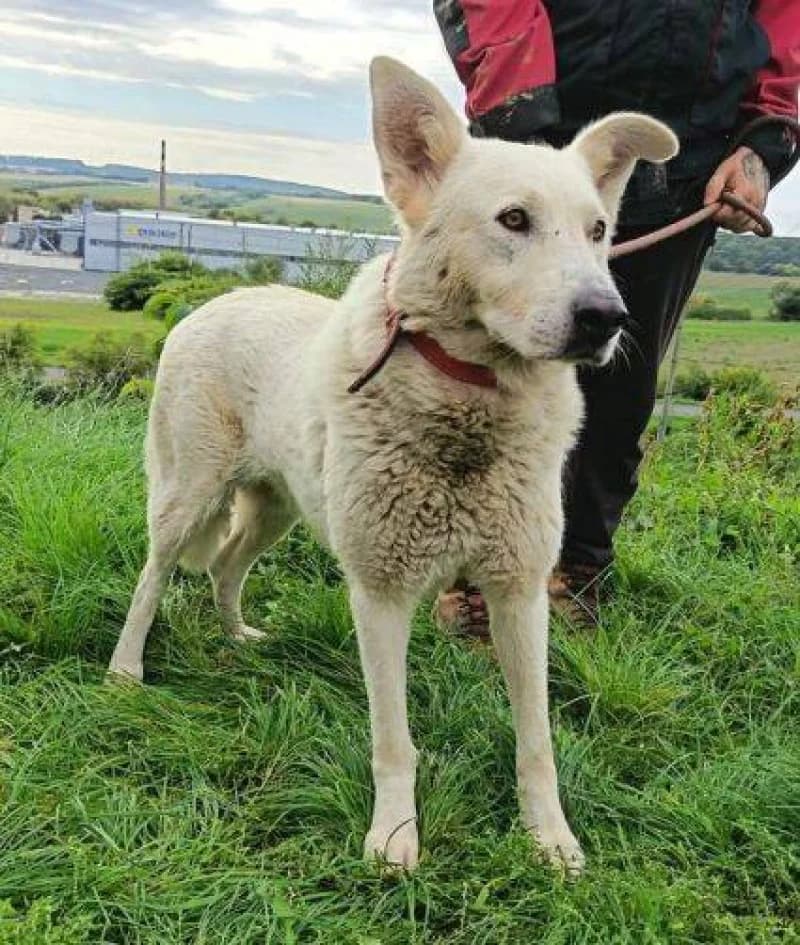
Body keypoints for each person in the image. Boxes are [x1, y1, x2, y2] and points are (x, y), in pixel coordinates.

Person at [433, 0, 799, 630]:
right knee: (497, 371)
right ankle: (476, 574)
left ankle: (578, 568)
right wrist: (524, 128)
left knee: (622, 388)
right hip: (545, 132)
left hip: (688, 164)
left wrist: (764, 142)